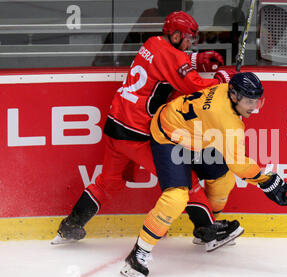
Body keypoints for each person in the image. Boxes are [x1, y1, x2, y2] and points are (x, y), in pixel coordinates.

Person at [52, 11, 238, 250]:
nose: (190, 44)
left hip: (115, 124)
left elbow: (168, 62)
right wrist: (221, 80)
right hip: (136, 132)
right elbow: (192, 86)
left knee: (107, 183)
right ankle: (208, 232)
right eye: (188, 39)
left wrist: (194, 60)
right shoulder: (172, 55)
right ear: (176, 35)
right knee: (184, 181)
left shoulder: (152, 43)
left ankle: (70, 226)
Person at [120, 72, 287, 277]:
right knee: (176, 198)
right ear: (235, 96)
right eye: (249, 101)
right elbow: (238, 164)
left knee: (224, 179)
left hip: (196, 136)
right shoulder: (225, 119)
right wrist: (266, 180)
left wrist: (264, 179)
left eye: (257, 101)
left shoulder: (225, 92)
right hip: (169, 136)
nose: (254, 107)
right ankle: (138, 254)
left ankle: (206, 230)